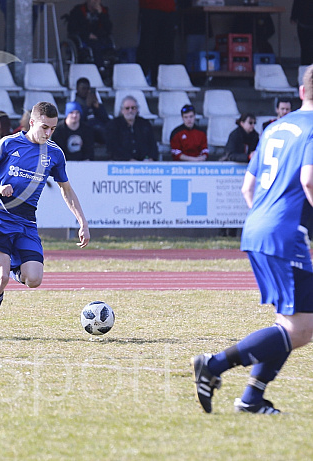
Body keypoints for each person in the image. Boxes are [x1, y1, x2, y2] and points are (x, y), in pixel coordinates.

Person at [191, 64, 313, 415]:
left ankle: (252, 399)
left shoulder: (274, 128)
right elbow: (308, 181)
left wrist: (267, 218)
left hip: (258, 224)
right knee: (301, 329)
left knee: (290, 324)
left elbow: (248, 186)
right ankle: (212, 366)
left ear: (300, 92)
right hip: (285, 233)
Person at [0, 102, 91, 338]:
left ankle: (7, 267)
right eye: (45, 127)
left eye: (53, 129)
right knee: (1, 278)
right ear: (32, 122)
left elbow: (66, 189)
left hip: (27, 220)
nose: (48, 133)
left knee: (34, 279)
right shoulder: (9, 143)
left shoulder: (55, 154)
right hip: (1, 215)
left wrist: (82, 222)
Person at [105, 95, 158, 161]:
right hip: (121, 164)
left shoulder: (145, 124)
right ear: (122, 110)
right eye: (127, 108)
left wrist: (151, 158)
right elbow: (113, 148)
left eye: (133, 108)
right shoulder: (113, 125)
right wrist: (129, 159)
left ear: (137, 109)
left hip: (144, 163)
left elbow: (152, 144)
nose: (130, 111)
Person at [64, 0, 114, 69]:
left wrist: (101, 14)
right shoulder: (78, 10)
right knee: (95, 45)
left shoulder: (104, 10)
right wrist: (87, 34)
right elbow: (73, 27)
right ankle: (100, 67)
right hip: (84, 37)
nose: (96, 2)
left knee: (109, 45)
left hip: (99, 36)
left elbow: (108, 28)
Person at [136, 0, 176, 85]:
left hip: (168, 9)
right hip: (149, 8)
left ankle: (163, 80)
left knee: (166, 48)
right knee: (147, 46)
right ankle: (140, 80)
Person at [73, 77, 109, 144]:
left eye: (88, 88)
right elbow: (77, 121)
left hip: (98, 126)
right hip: (85, 129)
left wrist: (98, 107)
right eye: (83, 88)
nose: (86, 91)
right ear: (77, 89)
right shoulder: (75, 105)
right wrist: (87, 106)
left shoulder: (93, 101)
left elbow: (105, 119)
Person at [291, 0, 313, 66]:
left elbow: (296, 5)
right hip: (304, 23)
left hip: (302, 23)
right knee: (306, 48)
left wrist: (293, 17)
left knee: (304, 48)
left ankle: (305, 68)